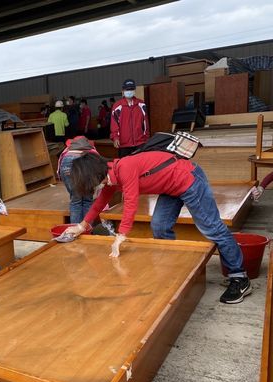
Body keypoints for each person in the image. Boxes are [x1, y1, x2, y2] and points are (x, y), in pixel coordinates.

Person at [62, 151, 251, 304]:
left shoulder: (124, 168)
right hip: (170, 188)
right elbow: (101, 201)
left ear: (95, 175)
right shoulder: (110, 176)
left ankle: (239, 278)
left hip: (188, 179)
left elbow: (131, 202)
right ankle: (174, 269)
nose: (93, 189)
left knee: (212, 228)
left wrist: (121, 235)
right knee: (159, 225)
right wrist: (81, 226)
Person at [57, 136, 99, 224]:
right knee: (87, 200)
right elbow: (98, 168)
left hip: (67, 165)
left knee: (76, 200)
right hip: (86, 163)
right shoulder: (91, 150)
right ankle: (86, 230)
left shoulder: (67, 150)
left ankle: (74, 230)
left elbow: (60, 168)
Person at [111, 79, 149, 158]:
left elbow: (145, 123)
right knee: (125, 167)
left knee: (140, 166)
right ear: (123, 90)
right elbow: (114, 124)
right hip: (124, 144)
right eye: (127, 89)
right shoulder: (117, 106)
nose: (129, 91)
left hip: (140, 143)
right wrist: (115, 137)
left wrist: (146, 138)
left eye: (131, 89)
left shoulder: (141, 104)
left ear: (134, 90)